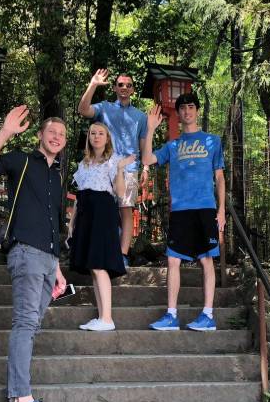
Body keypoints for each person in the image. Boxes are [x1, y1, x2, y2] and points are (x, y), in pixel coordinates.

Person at [0, 105, 67, 402]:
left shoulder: (56, 175)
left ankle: (18, 397)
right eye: (51, 132)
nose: (56, 137)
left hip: (48, 259)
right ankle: (21, 399)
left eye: (62, 135)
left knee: (31, 325)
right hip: (25, 253)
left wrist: (58, 268)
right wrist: (5, 132)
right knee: (25, 324)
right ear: (39, 135)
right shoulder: (22, 161)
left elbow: (54, 223)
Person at [141, 93, 225, 331]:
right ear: (177, 114)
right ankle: (171, 315)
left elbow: (219, 177)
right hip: (180, 209)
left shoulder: (212, 141)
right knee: (173, 258)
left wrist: (222, 210)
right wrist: (150, 130)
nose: (187, 111)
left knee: (206, 259)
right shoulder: (172, 145)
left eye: (191, 107)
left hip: (205, 207)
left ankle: (208, 315)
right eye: (183, 108)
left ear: (196, 111)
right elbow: (147, 157)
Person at [66, 123, 135, 331]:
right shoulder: (83, 163)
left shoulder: (114, 161)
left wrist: (121, 169)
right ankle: (101, 317)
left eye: (101, 133)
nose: (96, 137)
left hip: (103, 214)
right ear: (88, 137)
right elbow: (79, 197)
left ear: (107, 138)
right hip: (85, 215)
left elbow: (121, 193)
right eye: (93, 133)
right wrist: (72, 222)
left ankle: (107, 318)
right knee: (93, 267)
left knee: (99, 264)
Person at [78, 68, 147, 267]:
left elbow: (142, 144)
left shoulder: (140, 117)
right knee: (103, 210)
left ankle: (122, 255)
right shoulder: (104, 108)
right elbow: (83, 110)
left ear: (133, 89)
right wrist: (93, 84)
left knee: (126, 210)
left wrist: (146, 168)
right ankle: (101, 250)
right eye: (120, 84)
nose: (124, 87)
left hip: (130, 167)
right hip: (104, 167)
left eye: (129, 85)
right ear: (115, 88)